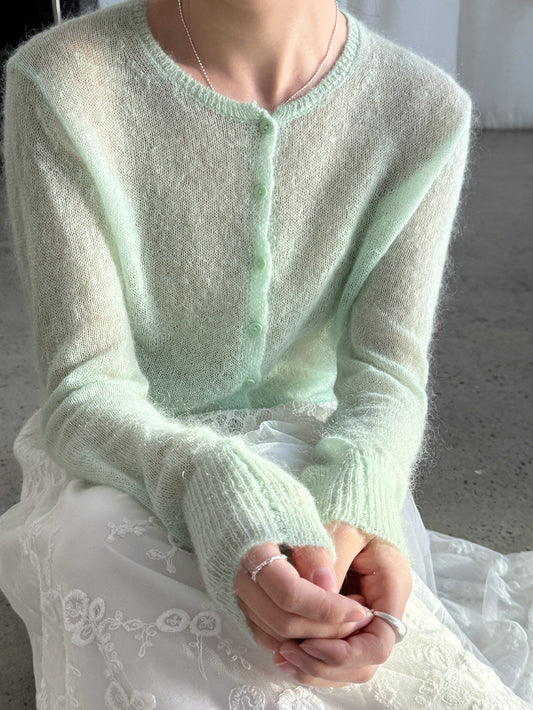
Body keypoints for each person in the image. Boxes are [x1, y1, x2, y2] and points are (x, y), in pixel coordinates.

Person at [0, 0, 531, 707]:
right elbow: (84, 386)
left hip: (323, 458)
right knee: (100, 551)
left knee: (341, 629)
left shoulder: (423, 109)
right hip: (119, 455)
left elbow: (387, 375)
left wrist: (359, 500)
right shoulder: (64, 80)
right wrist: (208, 479)